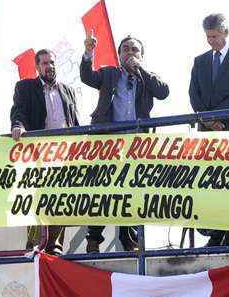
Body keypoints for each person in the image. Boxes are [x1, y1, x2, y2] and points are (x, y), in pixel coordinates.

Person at [80, 35, 170, 253]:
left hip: (136, 145)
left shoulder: (147, 78)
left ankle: (128, 237)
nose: (130, 53)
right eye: (126, 50)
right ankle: (93, 238)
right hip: (107, 142)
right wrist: (88, 53)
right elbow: (87, 76)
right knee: (102, 191)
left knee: (131, 191)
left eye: (134, 50)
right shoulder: (110, 74)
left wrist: (142, 70)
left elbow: (163, 92)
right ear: (119, 55)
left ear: (141, 55)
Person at [188, 13, 229, 246]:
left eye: (215, 36)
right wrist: (208, 121)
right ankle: (217, 234)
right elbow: (194, 95)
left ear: (226, 32)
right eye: (208, 37)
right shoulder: (200, 61)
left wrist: (217, 118)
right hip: (209, 133)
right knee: (213, 184)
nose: (211, 41)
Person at [10, 49, 80, 255]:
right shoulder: (26, 87)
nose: (50, 67)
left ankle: (55, 247)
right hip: (39, 154)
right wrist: (18, 125)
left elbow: (74, 121)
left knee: (62, 199)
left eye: (52, 62)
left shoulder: (68, 90)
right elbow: (19, 110)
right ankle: (34, 245)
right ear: (37, 67)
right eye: (45, 63)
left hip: (65, 155)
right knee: (38, 199)